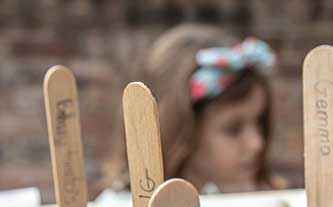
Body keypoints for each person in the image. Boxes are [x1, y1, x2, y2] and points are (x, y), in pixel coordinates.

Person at [104, 24, 283, 196]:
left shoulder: (272, 202)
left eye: (260, 122)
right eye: (233, 129)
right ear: (175, 131)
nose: (256, 144)